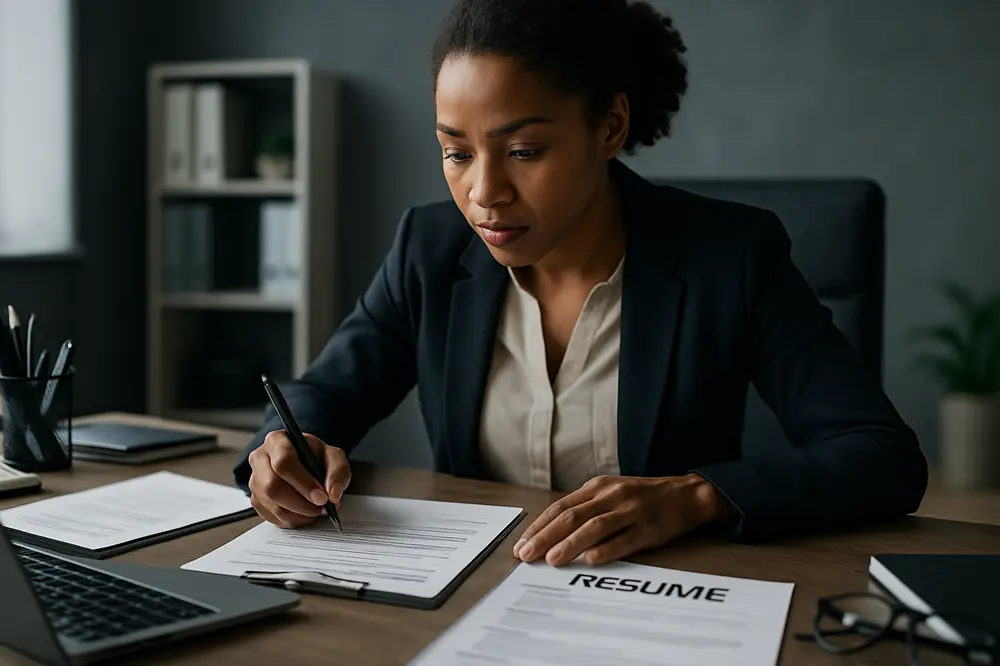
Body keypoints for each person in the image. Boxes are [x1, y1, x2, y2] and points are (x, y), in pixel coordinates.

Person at [234, 0, 928, 568]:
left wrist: (695, 497)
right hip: (476, 591)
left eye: (524, 151)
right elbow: (323, 393)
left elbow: (881, 455)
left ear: (610, 127)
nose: (483, 192)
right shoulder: (430, 247)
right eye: (455, 151)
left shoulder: (731, 255)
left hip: (663, 596)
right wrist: (286, 448)